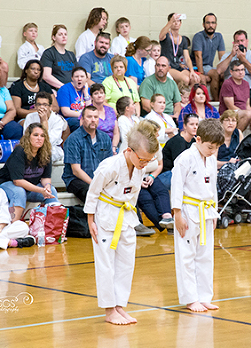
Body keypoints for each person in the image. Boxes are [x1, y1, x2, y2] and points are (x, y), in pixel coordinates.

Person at [85, 120, 160, 325]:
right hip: (105, 215)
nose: (145, 164)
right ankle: (109, 310)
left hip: (126, 216)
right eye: (142, 159)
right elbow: (93, 193)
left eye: (148, 160)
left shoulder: (139, 167)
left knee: (126, 263)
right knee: (106, 264)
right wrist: (91, 220)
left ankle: (120, 306)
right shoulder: (109, 166)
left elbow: (133, 196)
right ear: (129, 150)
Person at [171, 118, 223, 312]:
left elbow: (213, 188)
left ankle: (204, 296)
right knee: (186, 256)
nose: (212, 151)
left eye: (216, 148)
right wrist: (177, 214)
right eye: (210, 147)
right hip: (187, 210)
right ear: (198, 139)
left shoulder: (210, 159)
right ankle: (190, 298)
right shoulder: (184, 159)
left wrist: (215, 212)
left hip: (207, 211)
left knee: (206, 256)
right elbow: (176, 187)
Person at [0, 123, 60, 222]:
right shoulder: (20, 151)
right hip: (6, 184)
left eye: (42, 136)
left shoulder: (46, 153)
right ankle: (13, 226)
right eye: (35, 135)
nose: (39, 138)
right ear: (28, 137)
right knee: (19, 191)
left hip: (29, 187)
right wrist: (40, 190)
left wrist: (47, 186)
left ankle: (54, 230)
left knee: (51, 190)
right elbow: (18, 181)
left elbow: (45, 177)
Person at [62, 106, 113, 205]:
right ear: (82, 119)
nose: (93, 120)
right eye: (89, 117)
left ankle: (136, 221)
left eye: (96, 117)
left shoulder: (105, 138)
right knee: (92, 193)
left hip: (99, 179)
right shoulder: (73, 139)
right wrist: (95, 184)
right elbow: (76, 171)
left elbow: (109, 165)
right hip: (76, 180)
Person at [24, 92, 69, 163]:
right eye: (39, 104)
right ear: (35, 106)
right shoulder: (30, 117)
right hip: (32, 147)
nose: (42, 107)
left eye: (45, 105)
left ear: (50, 107)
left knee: (45, 153)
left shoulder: (58, 120)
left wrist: (44, 121)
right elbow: (26, 137)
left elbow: (49, 141)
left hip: (52, 149)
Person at [159, 13, 201, 86]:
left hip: (177, 66)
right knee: (185, 79)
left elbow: (187, 58)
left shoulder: (183, 39)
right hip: (168, 67)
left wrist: (192, 71)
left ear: (180, 23)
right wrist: (170, 21)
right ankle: (179, 96)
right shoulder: (166, 36)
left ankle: (186, 97)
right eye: (174, 21)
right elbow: (161, 36)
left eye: (178, 21)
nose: (176, 23)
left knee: (195, 79)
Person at [216, 30, 251, 97]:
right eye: (237, 41)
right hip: (232, 90)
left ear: (247, 41)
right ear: (234, 43)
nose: (240, 43)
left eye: (242, 40)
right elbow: (219, 71)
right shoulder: (227, 55)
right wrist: (232, 55)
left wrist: (243, 60)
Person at [159, 113, 197, 188]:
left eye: (197, 124)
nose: (195, 127)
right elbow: (179, 166)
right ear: (185, 126)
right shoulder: (178, 141)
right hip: (168, 174)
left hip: (181, 173)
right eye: (191, 124)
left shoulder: (194, 141)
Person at [192, 13, 225, 96]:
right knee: (215, 73)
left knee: (226, 74)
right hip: (197, 66)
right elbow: (198, 56)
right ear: (203, 25)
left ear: (216, 24)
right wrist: (201, 74)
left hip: (209, 66)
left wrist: (223, 71)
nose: (211, 25)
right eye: (208, 23)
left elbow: (222, 56)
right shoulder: (198, 36)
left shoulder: (219, 36)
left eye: (213, 23)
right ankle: (216, 101)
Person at [219, 60, 251, 131]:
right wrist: (247, 114)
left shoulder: (246, 84)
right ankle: (236, 136)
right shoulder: (228, 83)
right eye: (237, 70)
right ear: (231, 72)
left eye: (242, 70)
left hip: (243, 113)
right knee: (248, 114)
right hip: (229, 113)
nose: (240, 72)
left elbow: (247, 105)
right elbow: (230, 106)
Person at [41, 24, 77, 90]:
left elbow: (78, 73)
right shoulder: (49, 53)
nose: (64, 36)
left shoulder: (71, 55)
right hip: (55, 89)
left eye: (65, 34)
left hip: (72, 88)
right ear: (54, 37)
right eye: (60, 34)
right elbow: (46, 76)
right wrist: (64, 87)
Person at [57, 66, 91, 131]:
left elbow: (90, 109)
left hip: (85, 118)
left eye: (82, 76)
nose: (79, 79)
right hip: (69, 119)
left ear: (86, 79)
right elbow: (66, 112)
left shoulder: (88, 90)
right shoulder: (64, 89)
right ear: (72, 78)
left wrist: (86, 93)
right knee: (83, 123)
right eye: (76, 76)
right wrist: (85, 116)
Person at [90, 82, 119, 147]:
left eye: (101, 93)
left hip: (111, 145)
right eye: (96, 93)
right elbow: (84, 134)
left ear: (105, 95)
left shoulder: (111, 110)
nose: (99, 95)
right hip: (94, 147)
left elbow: (116, 133)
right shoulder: (87, 111)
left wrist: (114, 147)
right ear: (91, 97)